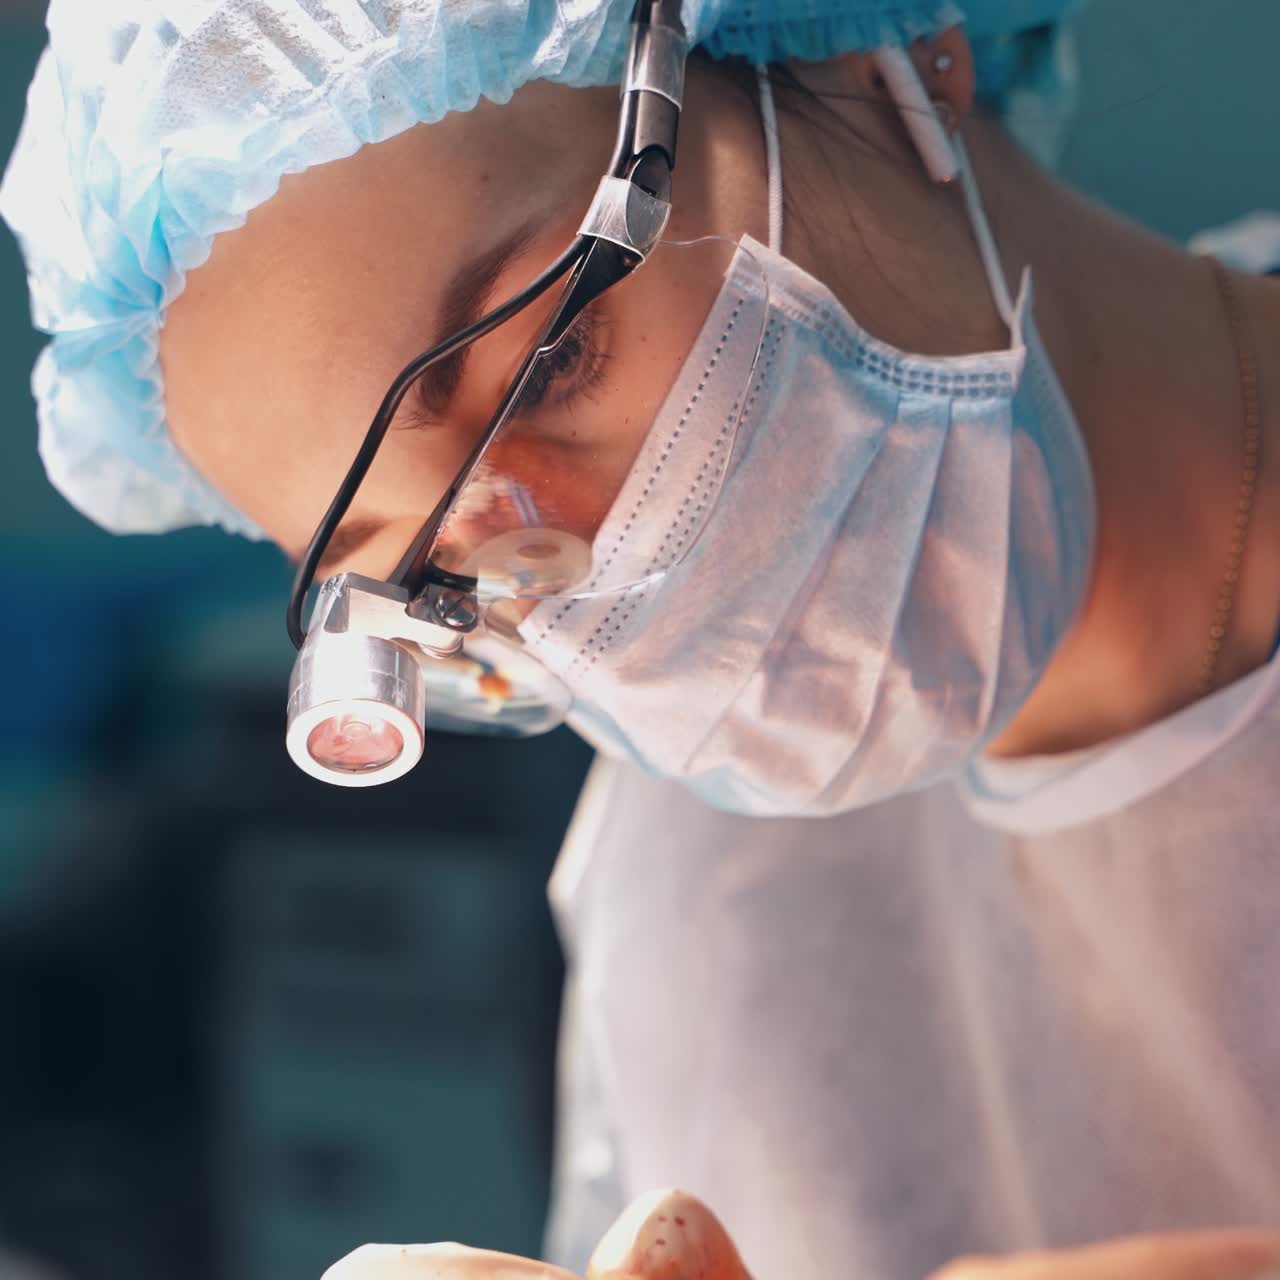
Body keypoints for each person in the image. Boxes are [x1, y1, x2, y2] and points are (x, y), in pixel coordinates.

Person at [4, 0, 1280, 1277]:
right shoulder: (694, 893)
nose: (558, 578)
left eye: (551, 356)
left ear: (886, 60)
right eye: (435, 574)